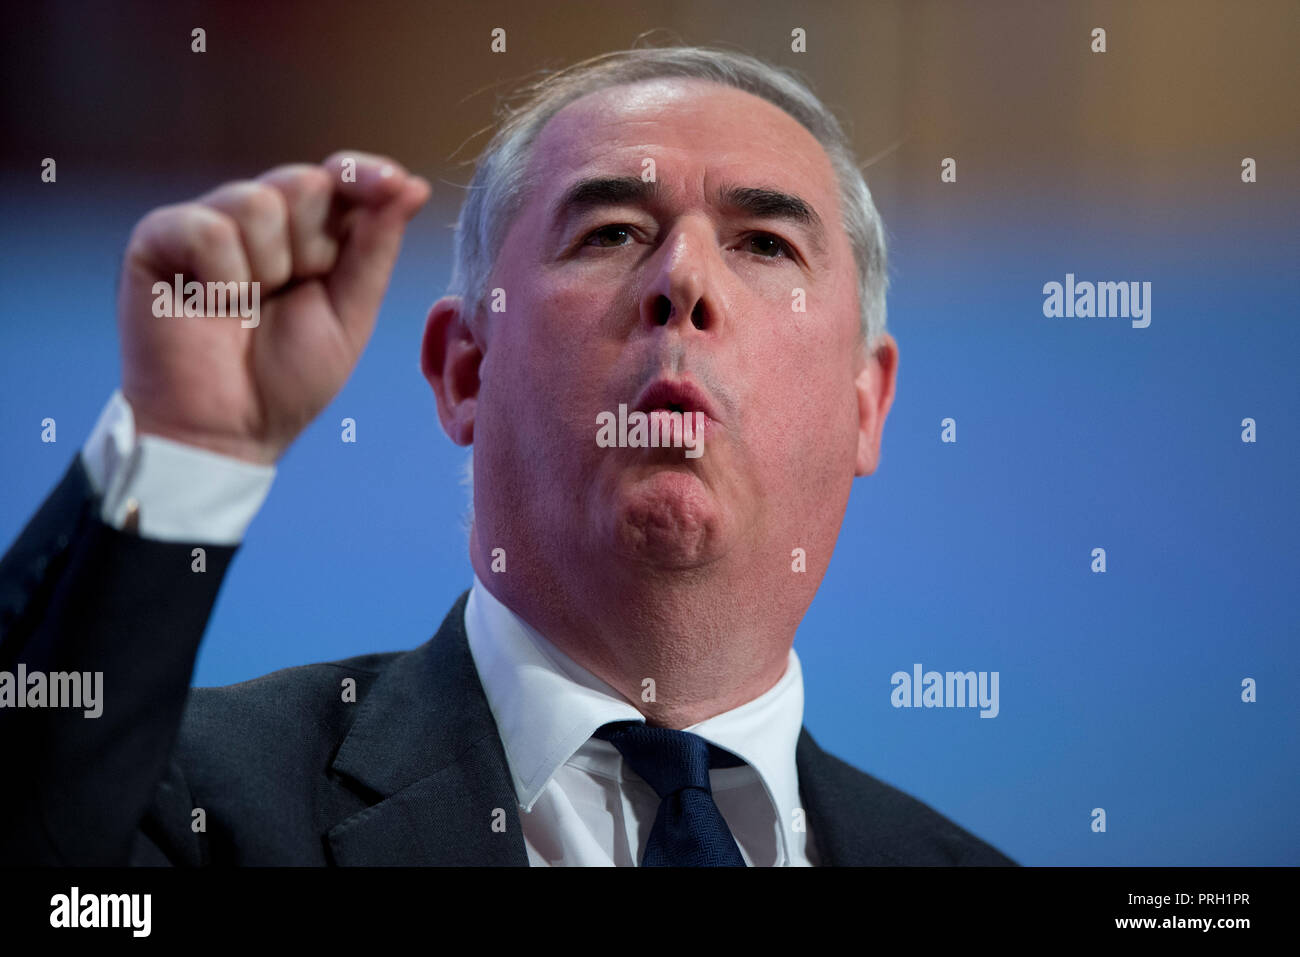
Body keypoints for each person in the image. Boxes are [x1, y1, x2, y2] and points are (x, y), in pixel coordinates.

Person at [0, 46, 1015, 866]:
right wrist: (191, 444)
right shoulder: (187, 806)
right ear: (463, 371)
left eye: (763, 244)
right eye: (612, 231)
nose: (684, 280)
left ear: (865, 403)